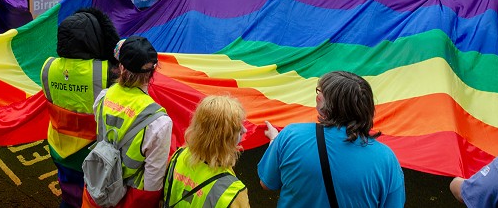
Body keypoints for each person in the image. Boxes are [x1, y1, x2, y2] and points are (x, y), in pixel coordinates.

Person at [258, 71, 405, 208]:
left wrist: (275, 141)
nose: (317, 96)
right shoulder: (386, 159)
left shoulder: (290, 135)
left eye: (320, 92)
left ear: (326, 105)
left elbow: (267, 184)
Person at [42, 8, 120, 208]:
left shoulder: (48, 67)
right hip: (91, 153)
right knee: (92, 198)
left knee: (69, 195)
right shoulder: (106, 71)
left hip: (59, 146)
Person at [82, 36, 172, 208]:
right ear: (152, 72)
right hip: (129, 196)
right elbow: (153, 178)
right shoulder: (160, 122)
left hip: (98, 183)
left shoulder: (103, 97)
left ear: (121, 67)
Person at [162, 95, 250, 208]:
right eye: (238, 129)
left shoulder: (178, 156)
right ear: (224, 139)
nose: (245, 130)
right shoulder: (233, 192)